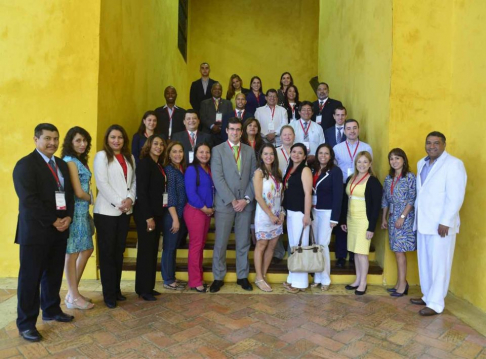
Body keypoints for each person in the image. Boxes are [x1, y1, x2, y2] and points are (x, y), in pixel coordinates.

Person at [13, 123, 75, 342]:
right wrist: (54, 220)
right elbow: (29, 201)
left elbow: (68, 195)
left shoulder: (61, 164)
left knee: (53, 273)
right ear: (36, 139)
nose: (52, 143)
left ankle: (51, 310)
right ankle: (26, 324)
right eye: (47, 138)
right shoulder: (25, 165)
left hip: (59, 231)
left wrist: (68, 217)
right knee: (30, 279)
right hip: (36, 232)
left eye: (56, 139)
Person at [410, 131, 467, 316]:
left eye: (436, 143)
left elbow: (455, 196)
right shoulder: (421, 163)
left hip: (441, 225)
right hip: (424, 222)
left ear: (444, 145)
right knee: (425, 262)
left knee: (440, 264)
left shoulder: (454, 164)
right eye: (429, 143)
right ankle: (428, 296)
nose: (432, 146)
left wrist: (446, 221)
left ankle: (436, 303)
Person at [210, 118, 257, 293]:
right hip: (225, 204)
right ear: (227, 131)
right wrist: (232, 200)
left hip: (245, 204)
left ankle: (242, 276)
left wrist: (246, 199)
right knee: (221, 242)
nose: (235, 132)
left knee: (243, 242)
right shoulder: (217, 150)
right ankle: (218, 276)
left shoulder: (249, 151)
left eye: (238, 130)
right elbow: (218, 177)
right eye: (232, 129)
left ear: (242, 132)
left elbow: (254, 177)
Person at [94, 125, 136, 308]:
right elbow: (102, 184)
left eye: (120, 137)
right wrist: (121, 202)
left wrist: (130, 199)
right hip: (107, 212)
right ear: (107, 139)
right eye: (113, 137)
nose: (116, 140)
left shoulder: (129, 157)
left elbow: (133, 182)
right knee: (107, 254)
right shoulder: (101, 156)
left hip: (125, 211)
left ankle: (116, 290)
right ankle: (108, 294)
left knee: (119, 252)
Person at [61, 127, 95, 310]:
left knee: (87, 249)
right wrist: (94, 199)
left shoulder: (79, 160)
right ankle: (73, 296)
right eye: (78, 141)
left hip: (82, 212)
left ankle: (72, 293)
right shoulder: (70, 161)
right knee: (72, 253)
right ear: (70, 142)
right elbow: (78, 191)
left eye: (85, 141)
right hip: (75, 212)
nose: (83, 144)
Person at [341, 151, 382, 295]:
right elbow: (346, 199)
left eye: (365, 162)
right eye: (359, 162)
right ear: (355, 163)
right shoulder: (351, 178)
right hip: (351, 219)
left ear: (370, 164)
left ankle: (363, 283)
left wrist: (371, 227)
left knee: (362, 253)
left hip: (364, 220)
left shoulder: (373, 181)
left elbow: (376, 206)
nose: (362, 165)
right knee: (355, 252)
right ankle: (358, 279)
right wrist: (344, 219)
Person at [333, 119, 373, 268]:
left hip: (361, 186)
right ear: (344, 131)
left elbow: (369, 166)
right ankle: (341, 255)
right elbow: (335, 168)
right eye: (348, 128)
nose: (351, 131)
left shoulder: (366, 147)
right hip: (344, 185)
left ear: (359, 129)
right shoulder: (337, 148)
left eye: (354, 128)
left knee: (358, 220)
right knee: (343, 220)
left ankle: (354, 254)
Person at [133, 135, 167, 301]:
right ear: (149, 145)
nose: (159, 147)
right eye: (155, 144)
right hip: (147, 215)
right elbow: (142, 193)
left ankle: (148, 286)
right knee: (146, 252)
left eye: (161, 144)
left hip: (157, 213)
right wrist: (148, 217)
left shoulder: (158, 164)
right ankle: (143, 289)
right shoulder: (145, 164)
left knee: (152, 251)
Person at [381, 148, 417, 297]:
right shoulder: (389, 178)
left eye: (397, 158)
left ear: (403, 160)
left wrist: (402, 217)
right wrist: (384, 218)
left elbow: (412, 199)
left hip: (404, 218)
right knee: (396, 250)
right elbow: (385, 200)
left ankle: (403, 284)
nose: (394, 161)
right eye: (391, 159)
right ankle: (399, 282)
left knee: (400, 251)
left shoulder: (409, 177)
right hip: (392, 217)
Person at [311, 144, 343, 291]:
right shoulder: (313, 170)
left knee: (323, 245)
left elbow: (338, 195)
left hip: (327, 212)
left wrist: (334, 218)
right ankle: (317, 277)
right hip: (314, 211)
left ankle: (325, 278)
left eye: (326, 153)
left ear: (330, 156)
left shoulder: (335, 171)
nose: (323, 156)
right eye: (320, 153)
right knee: (316, 245)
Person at [253, 144, 284, 292]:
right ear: (261, 156)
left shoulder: (277, 172)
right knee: (262, 244)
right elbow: (258, 197)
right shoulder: (259, 173)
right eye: (265, 154)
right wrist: (270, 215)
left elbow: (280, 195)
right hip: (265, 215)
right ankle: (258, 277)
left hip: (277, 215)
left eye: (271, 154)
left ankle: (263, 275)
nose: (268, 157)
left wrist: (282, 212)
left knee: (272, 246)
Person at [184, 143, 214, 293]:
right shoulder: (191, 169)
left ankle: (198, 278)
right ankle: (195, 281)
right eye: (201, 152)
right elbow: (191, 193)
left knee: (200, 245)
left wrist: (210, 209)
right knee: (196, 246)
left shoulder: (209, 169)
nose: (204, 155)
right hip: (196, 211)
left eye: (207, 152)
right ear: (195, 154)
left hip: (206, 212)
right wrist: (205, 209)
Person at [282, 143, 313, 293]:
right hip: (291, 212)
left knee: (301, 247)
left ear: (305, 156)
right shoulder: (290, 168)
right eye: (294, 152)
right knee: (294, 246)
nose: (296, 155)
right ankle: (292, 278)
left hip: (301, 213)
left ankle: (300, 283)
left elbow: (308, 193)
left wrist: (307, 215)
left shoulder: (305, 170)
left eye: (300, 153)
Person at [161, 141, 188, 290]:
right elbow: (170, 196)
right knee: (169, 248)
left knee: (172, 247)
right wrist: (175, 219)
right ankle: (168, 280)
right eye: (174, 152)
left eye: (180, 151)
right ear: (169, 155)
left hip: (179, 214)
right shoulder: (170, 170)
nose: (178, 154)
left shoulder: (180, 169)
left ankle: (171, 277)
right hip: (172, 215)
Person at [273, 125, 295, 263]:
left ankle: (292, 251)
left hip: (294, 190)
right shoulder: (275, 152)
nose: (287, 137)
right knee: (277, 220)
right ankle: (278, 252)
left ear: (294, 136)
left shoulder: (299, 151)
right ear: (280, 137)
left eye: (290, 134)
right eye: (284, 134)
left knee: (293, 222)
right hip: (277, 189)